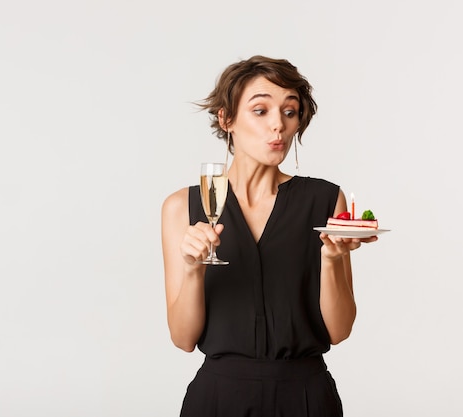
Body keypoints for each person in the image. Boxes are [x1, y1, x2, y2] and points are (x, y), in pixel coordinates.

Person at [161, 55, 378, 417]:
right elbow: (183, 339)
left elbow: (339, 332)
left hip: (306, 399)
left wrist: (332, 259)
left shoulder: (324, 200)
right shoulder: (180, 207)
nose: (277, 125)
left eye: (289, 112)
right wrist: (193, 269)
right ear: (226, 119)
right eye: (260, 110)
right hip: (218, 400)